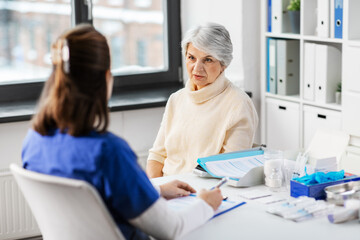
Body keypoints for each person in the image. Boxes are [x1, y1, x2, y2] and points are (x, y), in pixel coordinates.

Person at [21, 24, 223, 240]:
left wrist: (155, 192)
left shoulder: (34, 141)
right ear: (106, 78)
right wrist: (205, 204)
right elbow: (171, 229)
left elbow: (93, 204)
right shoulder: (108, 152)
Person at [146, 23, 259, 178]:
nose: (197, 68)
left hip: (203, 194)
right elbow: (157, 157)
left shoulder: (238, 104)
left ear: (223, 64)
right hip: (168, 192)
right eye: (191, 58)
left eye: (208, 60)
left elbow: (231, 172)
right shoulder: (176, 99)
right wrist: (156, 191)